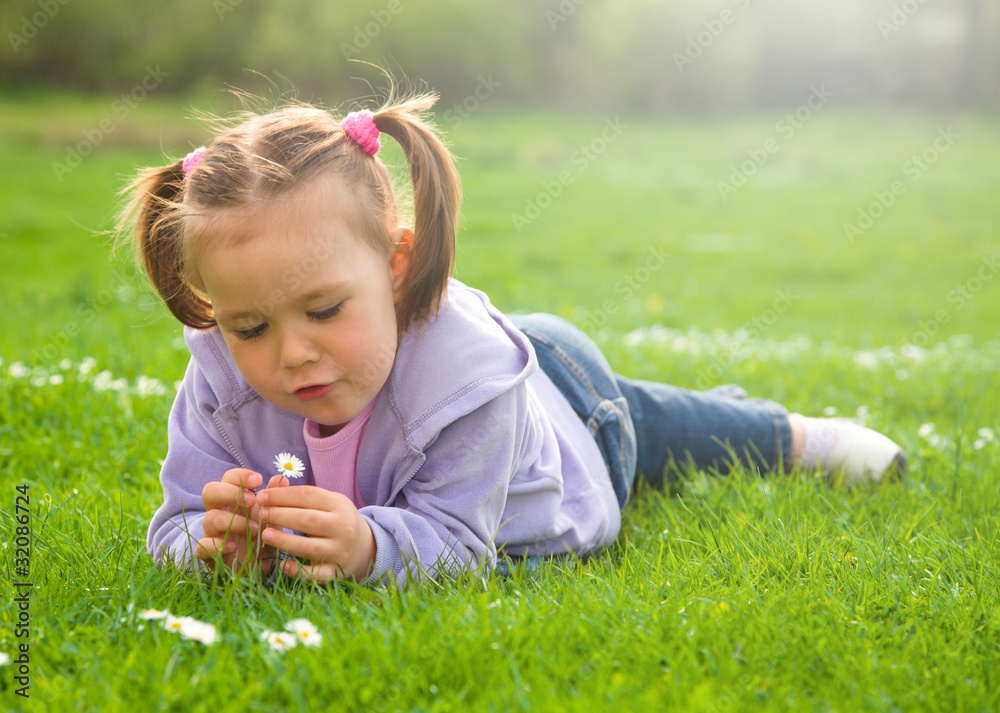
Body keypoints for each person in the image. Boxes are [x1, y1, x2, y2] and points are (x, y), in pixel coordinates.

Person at [118, 92, 906, 587]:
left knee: (665, 429)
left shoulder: (470, 379)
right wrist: (212, 543)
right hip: (488, 366)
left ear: (397, 266)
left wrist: (365, 547)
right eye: (250, 326)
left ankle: (803, 436)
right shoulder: (220, 379)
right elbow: (176, 522)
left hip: (571, 406)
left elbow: (460, 541)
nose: (291, 354)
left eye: (325, 310)